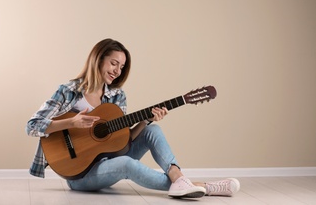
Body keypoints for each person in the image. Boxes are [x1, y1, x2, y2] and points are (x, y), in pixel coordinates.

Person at [26, 38, 240, 199]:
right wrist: (71, 123)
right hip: (80, 174)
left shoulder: (117, 96)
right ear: (98, 59)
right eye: (113, 63)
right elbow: (32, 126)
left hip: (110, 161)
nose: (117, 71)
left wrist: (146, 120)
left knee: (152, 130)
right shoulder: (69, 90)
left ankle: (178, 177)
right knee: (127, 164)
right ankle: (205, 186)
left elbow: (123, 140)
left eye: (121, 67)